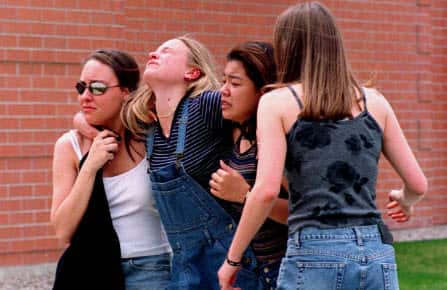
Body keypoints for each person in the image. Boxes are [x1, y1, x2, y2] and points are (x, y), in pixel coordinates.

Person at [218, 2, 428, 290]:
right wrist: (404, 200)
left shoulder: (277, 102)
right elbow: (418, 184)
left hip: (314, 252)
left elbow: (265, 191)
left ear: (286, 46)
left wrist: (232, 260)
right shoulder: (374, 101)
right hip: (377, 250)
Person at [75, 36, 263, 289]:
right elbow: (96, 113)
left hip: (227, 260)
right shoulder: (146, 123)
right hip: (185, 265)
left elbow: (258, 102)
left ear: (192, 72)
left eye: (167, 51)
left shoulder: (205, 106)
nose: (154, 52)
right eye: (156, 49)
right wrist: (83, 124)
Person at [51, 49, 171, 290]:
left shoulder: (152, 140)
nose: (85, 96)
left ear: (126, 92)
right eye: (81, 87)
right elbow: (63, 230)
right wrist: (90, 166)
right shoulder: (70, 146)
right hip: (89, 270)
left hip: (151, 270)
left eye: (97, 88)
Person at [209, 41, 288, 290]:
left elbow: (304, 214)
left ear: (262, 91)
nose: (224, 90)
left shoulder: (276, 141)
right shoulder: (234, 130)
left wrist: (244, 195)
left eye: (235, 83)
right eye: (224, 81)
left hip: (279, 271)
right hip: (246, 271)